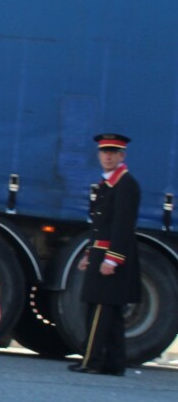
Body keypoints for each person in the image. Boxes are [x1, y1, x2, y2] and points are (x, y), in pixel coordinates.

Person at [68, 132, 141, 376]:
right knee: (110, 312)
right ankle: (114, 363)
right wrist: (90, 253)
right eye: (104, 152)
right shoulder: (108, 183)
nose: (108, 156)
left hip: (111, 254)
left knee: (100, 310)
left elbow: (122, 225)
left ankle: (91, 360)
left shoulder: (125, 184)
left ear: (122, 156)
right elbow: (100, 225)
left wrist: (113, 258)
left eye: (113, 153)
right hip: (100, 252)